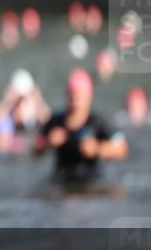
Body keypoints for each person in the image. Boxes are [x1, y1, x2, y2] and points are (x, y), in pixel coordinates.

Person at [33, 67, 128, 196]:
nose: (75, 100)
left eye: (79, 95)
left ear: (89, 96)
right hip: (61, 181)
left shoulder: (98, 122)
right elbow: (35, 151)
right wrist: (48, 143)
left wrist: (96, 149)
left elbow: (122, 148)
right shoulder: (55, 121)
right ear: (66, 95)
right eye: (72, 95)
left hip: (92, 182)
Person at [0, 68, 50, 154]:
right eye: (18, 102)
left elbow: (50, 122)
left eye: (24, 100)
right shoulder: (5, 121)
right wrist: (7, 102)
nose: (21, 106)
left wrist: (38, 102)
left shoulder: (36, 118)